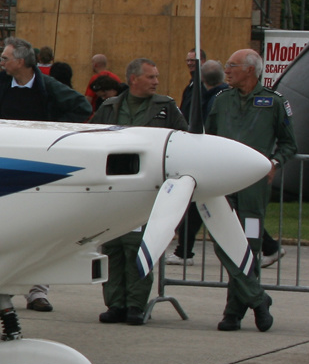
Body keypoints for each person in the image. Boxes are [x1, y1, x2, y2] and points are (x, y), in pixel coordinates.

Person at [0, 37, 91, 311]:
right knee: (1, 229)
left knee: (41, 229)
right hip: (2, 167)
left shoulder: (48, 87)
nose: (1, 63)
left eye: (5, 58)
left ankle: (38, 291)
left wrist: (51, 130)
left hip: (40, 169)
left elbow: (81, 107)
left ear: (21, 62)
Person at [89, 58, 187, 325]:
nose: (156, 81)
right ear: (134, 79)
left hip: (146, 188)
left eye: (156, 76)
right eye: (151, 77)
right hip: (114, 188)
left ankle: (136, 304)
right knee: (113, 247)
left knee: (138, 247)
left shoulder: (165, 108)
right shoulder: (110, 108)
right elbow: (91, 139)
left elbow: (182, 139)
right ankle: (114, 303)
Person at [204, 49, 296, 332]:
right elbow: (209, 138)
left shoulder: (275, 102)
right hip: (224, 185)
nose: (226, 70)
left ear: (250, 70)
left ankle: (234, 313)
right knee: (224, 243)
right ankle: (258, 299)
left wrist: (275, 163)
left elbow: (289, 144)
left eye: (232, 66)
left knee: (250, 246)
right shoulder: (221, 101)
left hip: (254, 189)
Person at [171, 60, 228, 264]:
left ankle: (183, 251)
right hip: (212, 158)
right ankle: (183, 250)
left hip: (209, 158)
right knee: (198, 205)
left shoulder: (214, 99)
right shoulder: (217, 96)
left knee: (199, 204)